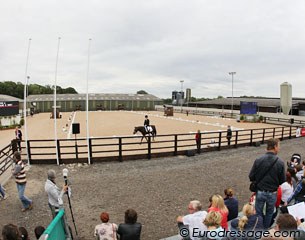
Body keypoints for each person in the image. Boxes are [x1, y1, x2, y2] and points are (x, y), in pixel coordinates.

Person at [249, 138, 285, 229]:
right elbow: (282, 180)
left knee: (258, 211)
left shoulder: (259, 160)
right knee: (269, 213)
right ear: (275, 147)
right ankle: (265, 230)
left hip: (260, 191)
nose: (279, 148)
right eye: (279, 146)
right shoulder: (280, 162)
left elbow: (251, 176)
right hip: (272, 192)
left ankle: (258, 227)